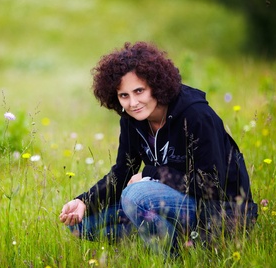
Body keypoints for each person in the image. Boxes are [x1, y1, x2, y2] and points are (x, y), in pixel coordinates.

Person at [59, 41, 257, 255]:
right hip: (169, 202)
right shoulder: (131, 119)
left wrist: (150, 173)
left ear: (156, 85)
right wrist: (84, 201)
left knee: (136, 195)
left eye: (139, 91)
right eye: (124, 95)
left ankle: (174, 256)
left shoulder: (196, 115)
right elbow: (123, 171)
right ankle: (170, 238)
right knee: (79, 224)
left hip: (221, 210)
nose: (133, 102)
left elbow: (211, 184)